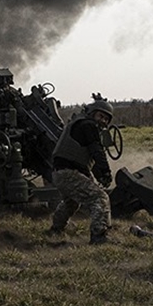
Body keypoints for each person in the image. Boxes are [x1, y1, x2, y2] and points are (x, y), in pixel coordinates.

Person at [48, 96, 114, 244]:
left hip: (60, 173)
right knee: (100, 198)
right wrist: (106, 173)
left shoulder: (80, 123)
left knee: (71, 202)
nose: (103, 121)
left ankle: (55, 230)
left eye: (106, 119)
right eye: (101, 116)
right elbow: (97, 151)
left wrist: (100, 175)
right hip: (69, 172)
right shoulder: (88, 125)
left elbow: (88, 157)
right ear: (92, 113)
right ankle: (99, 236)